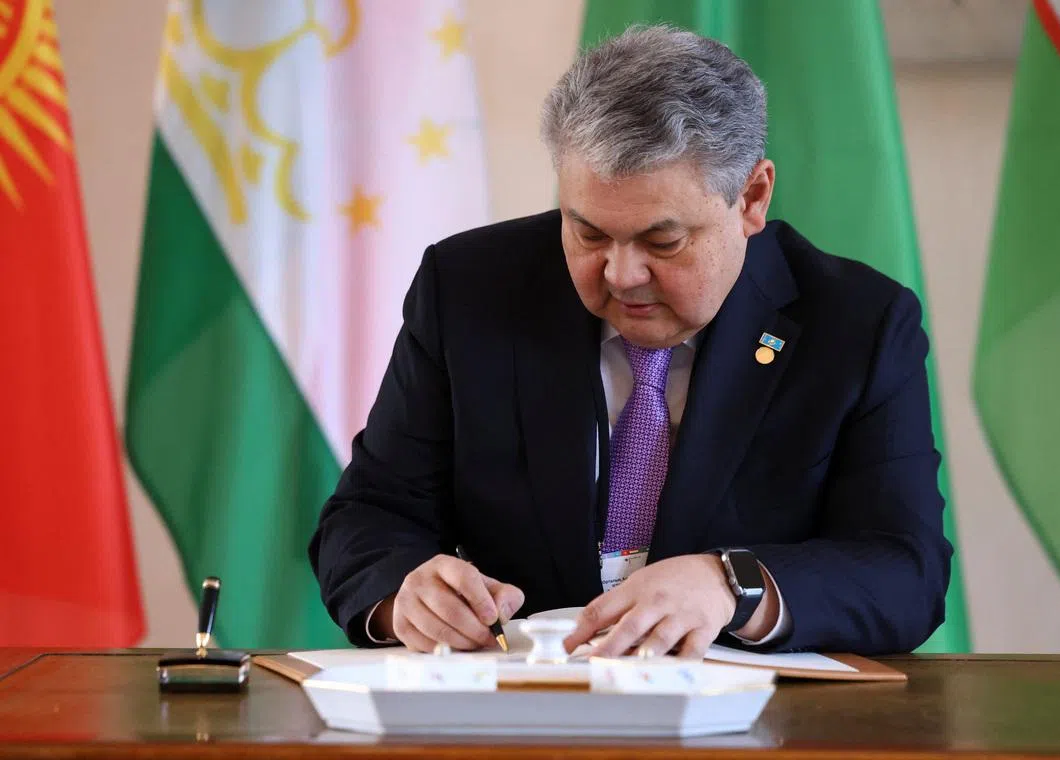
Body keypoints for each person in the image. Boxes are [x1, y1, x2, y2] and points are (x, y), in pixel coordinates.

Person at [309, 25, 951, 658]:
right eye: (588, 234)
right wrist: (406, 593)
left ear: (751, 199)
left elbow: (905, 569)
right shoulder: (470, 289)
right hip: (520, 700)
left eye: (662, 242)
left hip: (749, 712)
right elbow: (369, 516)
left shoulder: (857, 323)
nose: (621, 274)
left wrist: (732, 584)